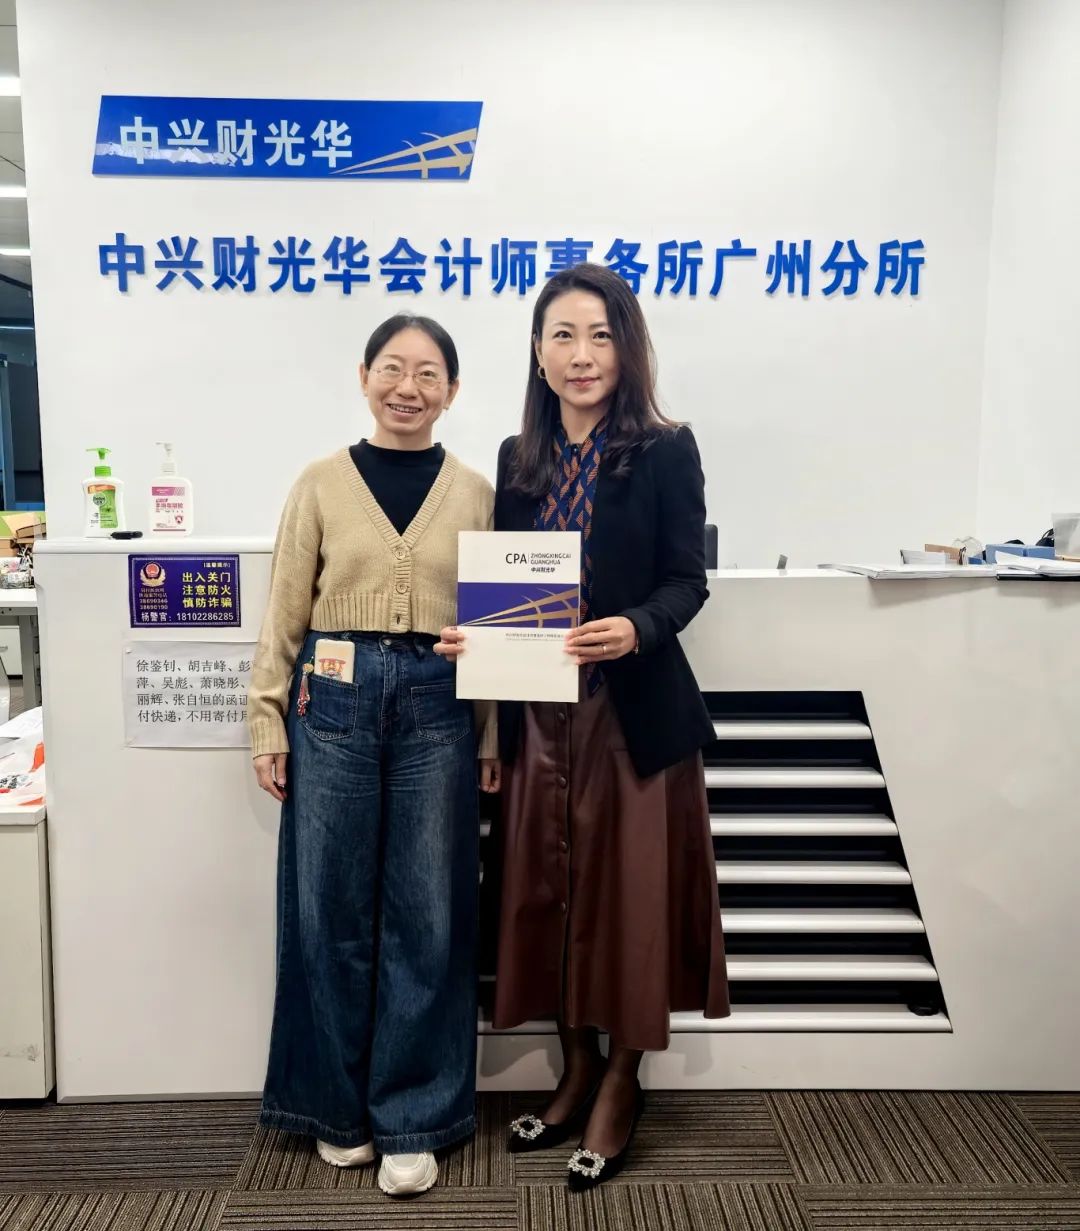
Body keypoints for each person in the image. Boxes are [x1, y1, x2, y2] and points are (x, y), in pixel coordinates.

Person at [437, 263, 728, 1191]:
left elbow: (687, 581)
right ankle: (574, 1069)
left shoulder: (665, 448)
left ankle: (621, 1083)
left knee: (629, 901)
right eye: (562, 335)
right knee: (546, 892)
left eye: (601, 335)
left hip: (631, 714)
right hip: (539, 714)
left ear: (627, 347)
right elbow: (507, 589)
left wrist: (636, 626)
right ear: (538, 352)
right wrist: (477, 638)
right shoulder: (518, 458)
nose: (582, 354)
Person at [248, 314, 499, 1199]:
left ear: (452, 392)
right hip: (334, 700)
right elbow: (284, 608)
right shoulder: (320, 482)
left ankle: (413, 1117)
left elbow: (497, 627)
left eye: (428, 373)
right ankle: (335, 1108)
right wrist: (266, 719)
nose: (408, 387)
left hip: (439, 704)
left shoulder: (476, 492)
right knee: (330, 909)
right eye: (393, 368)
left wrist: (492, 734)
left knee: (429, 914)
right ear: (364, 377)